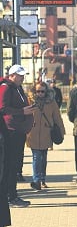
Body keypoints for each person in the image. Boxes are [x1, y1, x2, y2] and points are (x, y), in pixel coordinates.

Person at [0, 65, 35, 207]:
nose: (22, 77)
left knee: (14, 164)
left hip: (18, 130)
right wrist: (22, 111)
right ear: (12, 75)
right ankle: (11, 196)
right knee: (11, 164)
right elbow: (2, 108)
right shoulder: (6, 88)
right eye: (20, 75)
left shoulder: (17, 88)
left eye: (23, 75)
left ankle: (12, 195)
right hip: (11, 131)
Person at [26, 81, 65, 191]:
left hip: (46, 132)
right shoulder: (29, 101)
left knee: (43, 157)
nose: (40, 93)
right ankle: (36, 180)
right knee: (36, 157)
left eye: (42, 91)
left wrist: (62, 131)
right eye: (37, 91)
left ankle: (42, 178)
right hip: (32, 133)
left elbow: (57, 117)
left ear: (46, 91)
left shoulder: (51, 103)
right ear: (34, 91)